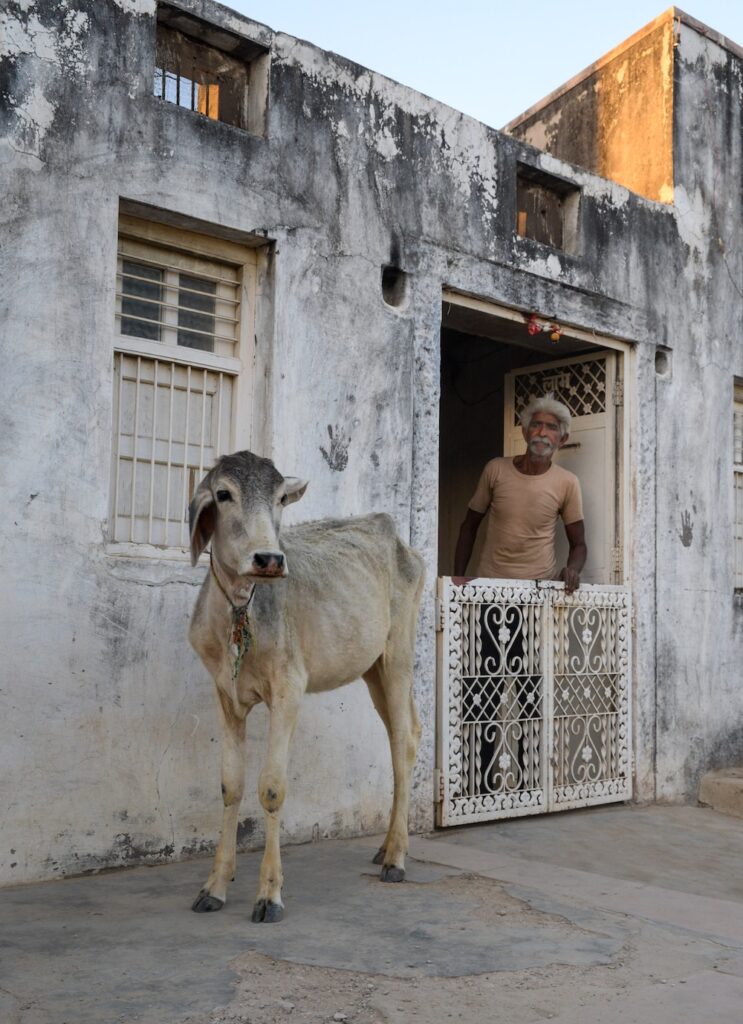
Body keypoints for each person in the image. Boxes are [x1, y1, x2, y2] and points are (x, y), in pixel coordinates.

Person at [453, 394, 586, 591]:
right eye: (536, 425)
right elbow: (469, 527)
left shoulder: (568, 482)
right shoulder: (495, 469)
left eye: (552, 427)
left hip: (540, 592)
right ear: (524, 432)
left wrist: (572, 570)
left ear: (562, 439)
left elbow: (579, 545)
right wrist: (458, 578)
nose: (542, 432)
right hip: (490, 589)